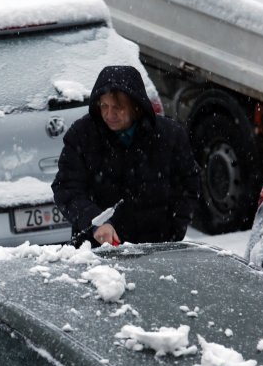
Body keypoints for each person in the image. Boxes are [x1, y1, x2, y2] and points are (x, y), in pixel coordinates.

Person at [52, 65, 201, 247]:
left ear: (136, 107)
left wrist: (175, 228)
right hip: (98, 252)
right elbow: (67, 189)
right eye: (104, 106)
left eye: (118, 107)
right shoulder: (82, 135)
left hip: (157, 248)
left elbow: (189, 183)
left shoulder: (170, 136)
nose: (109, 114)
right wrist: (95, 222)